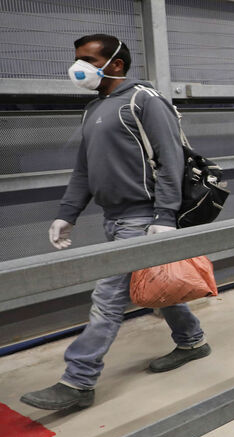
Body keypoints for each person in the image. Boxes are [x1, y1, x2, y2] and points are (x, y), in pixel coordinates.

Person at [20, 34, 210, 411]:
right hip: (114, 216)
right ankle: (192, 341)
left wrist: (165, 215)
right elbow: (84, 170)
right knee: (155, 286)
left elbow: (170, 160)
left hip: (142, 217)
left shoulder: (145, 101)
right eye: (77, 59)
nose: (78, 67)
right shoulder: (94, 109)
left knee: (107, 300)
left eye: (88, 60)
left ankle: (77, 381)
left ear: (116, 64)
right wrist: (66, 213)